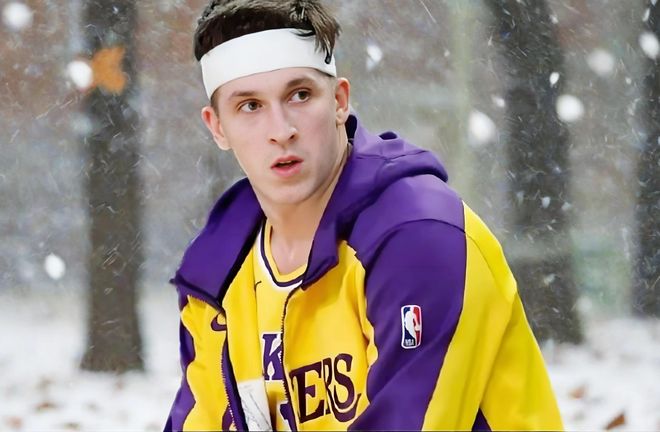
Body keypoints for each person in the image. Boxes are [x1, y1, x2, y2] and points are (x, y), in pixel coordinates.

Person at [165, 0, 564, 430]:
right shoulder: (217, 274)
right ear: (217, 127)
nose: (281, 130)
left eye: (300, 95)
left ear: (339, 101)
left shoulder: (419, 237)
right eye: (250, 106)